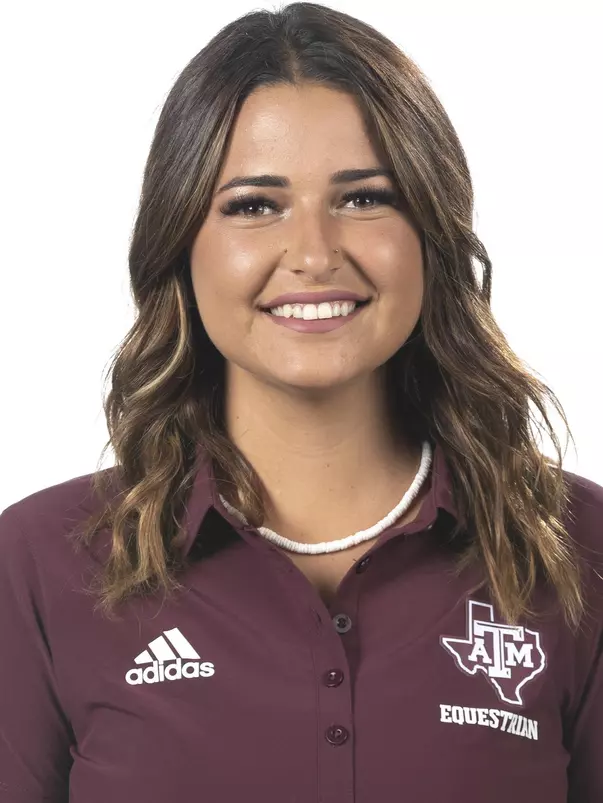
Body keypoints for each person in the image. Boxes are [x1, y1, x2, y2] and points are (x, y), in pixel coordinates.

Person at [1, 2, 601, 801]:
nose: (314, 254)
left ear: (431, 232)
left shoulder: (580, 550)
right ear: (180, 245)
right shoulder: (41, 562)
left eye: (364, 198)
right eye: (254, 205)